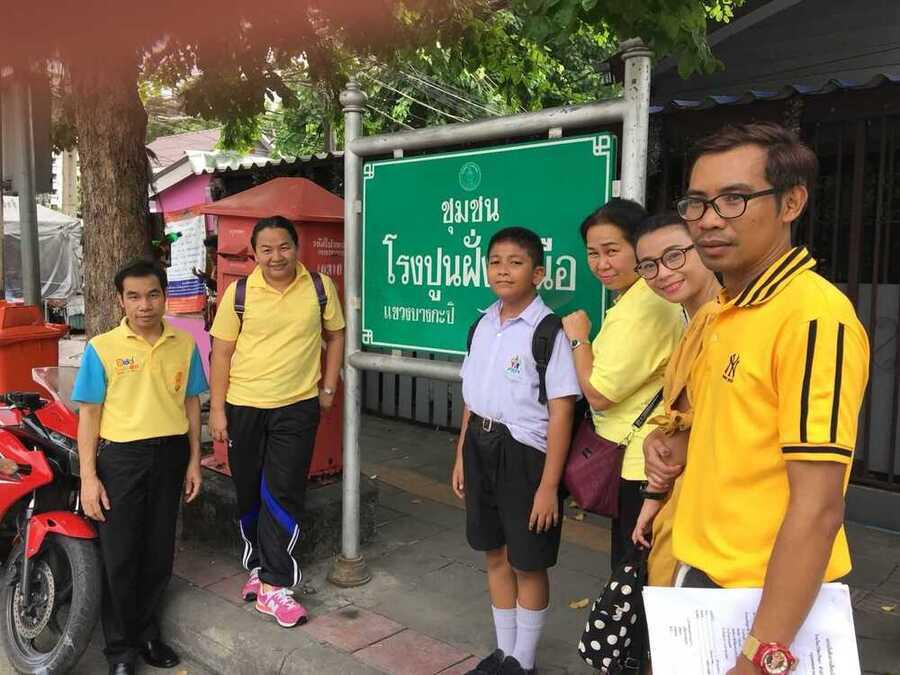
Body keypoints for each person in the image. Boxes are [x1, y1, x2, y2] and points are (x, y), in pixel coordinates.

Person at [661, 122, 869, 675]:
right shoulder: (723, 311)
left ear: (791, 203)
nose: (709, 219)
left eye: (734, 199)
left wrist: (760, 656)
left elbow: (819, 508)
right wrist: (680, 444)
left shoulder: (813, 318)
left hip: (765, 603)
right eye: (697, 203)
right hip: (702, 578)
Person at [451, 227, 579, 675]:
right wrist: (461, 454)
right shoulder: (482, 324)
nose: (503, 270)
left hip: (525, 455)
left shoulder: (548, 332)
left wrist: (548, 487)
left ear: (537, 273)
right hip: (480, 446)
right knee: (494, 552)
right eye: (495, 262)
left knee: (528, 561)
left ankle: (524, 662)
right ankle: (504, 653)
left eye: (515, 262)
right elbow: (471, 397)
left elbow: (561, 413)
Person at [209, 215, 345, 628]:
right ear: (254, 253)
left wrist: (328, 388)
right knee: (249, 491)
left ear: (296, 247)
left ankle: (275, 584)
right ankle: (258, 563)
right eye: (266, 249)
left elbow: (336, 335)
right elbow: (222, 354)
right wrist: (218, 411)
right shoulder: (239, 293)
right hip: (244, 405)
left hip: (297, 406)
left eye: (283, 247)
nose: (276, 256)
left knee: (283, 491)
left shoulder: (319, 287)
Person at [73, 259, 208, 675]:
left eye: (152, 295)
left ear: (164, 296)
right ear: (121, 300)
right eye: (133, 296)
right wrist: (89, 477)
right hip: (121, 459)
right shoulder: (102, 348)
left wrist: (194, 461)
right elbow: (89, 416)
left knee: (158, 552)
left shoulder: (184, 344)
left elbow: (191, 404)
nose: (144, 305)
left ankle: (148, 633)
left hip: (170, 454)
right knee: (120, 555)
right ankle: (120, 651)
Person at [562, 199, 684, 568]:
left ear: (639, 247)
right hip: (645, 457)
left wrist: (578, 338)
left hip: (641, 464)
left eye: (612, 251)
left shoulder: (645, 307)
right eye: (593, 253)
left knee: (633, 572)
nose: (602, 263)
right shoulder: (636, 298)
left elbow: (599, 394)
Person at [627, 213, 721, 589]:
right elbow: (682, 421)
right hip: (681, 500)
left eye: (674, 256)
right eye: (649, 266)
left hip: (716, 518)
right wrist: (654, 495)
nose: (663, 273)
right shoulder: (693, 324)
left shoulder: (726, 325)